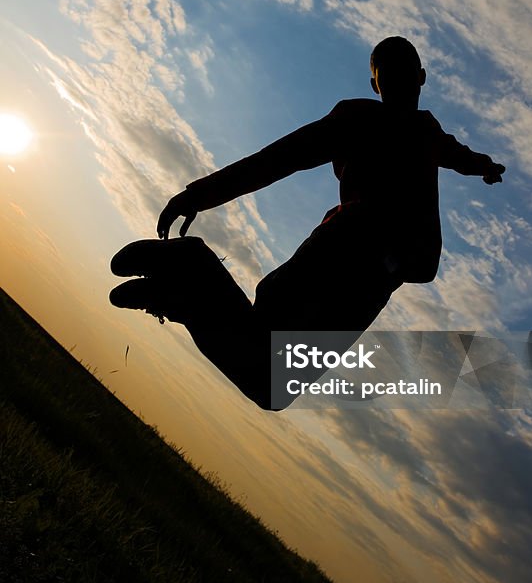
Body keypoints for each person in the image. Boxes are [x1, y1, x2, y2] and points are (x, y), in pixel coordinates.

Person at [110, 36, 505, 409]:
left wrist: (484, 167)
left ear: (419, 77)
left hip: (380, 278)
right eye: (392, 76)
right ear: (376, 85)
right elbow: (279, 158)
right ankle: (189, 270)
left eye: (406, 74)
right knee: (268, 364)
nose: (402, 83)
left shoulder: (428, 132)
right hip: (348, 249)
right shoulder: (357, 119)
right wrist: (200, 193)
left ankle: (180, 291)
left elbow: (461, 155)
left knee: (271, 384)